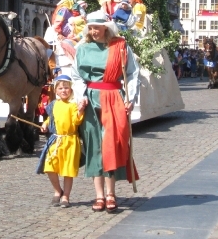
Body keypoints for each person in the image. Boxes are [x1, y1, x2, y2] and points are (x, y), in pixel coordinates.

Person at [70, 11, 140, 213]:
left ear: (106, 28)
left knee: (113, 144)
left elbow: (132, 74)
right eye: (90, 28)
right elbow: (76, 76)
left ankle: (111, 194)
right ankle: (99, 195)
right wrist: (80, 95)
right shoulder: (82, 48)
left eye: (97, 28)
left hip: (114, 98)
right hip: (91, 99)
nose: (93, 32)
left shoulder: (120, 47)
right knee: (94, 146)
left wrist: (130, 98)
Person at [36, 75, 88, 208]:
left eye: (66, 88)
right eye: (60, 88)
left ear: (70, 89)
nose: (64, 90)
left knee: (67, 170)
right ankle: (58, 190)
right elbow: (51, 119)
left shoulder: (73, 105)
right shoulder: (54, 105)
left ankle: (66, 196)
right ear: (56, 91)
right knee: (49, 166)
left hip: (70, 141)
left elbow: (77, 121)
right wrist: (45, 124)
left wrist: (80, 111)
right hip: (56, 140)